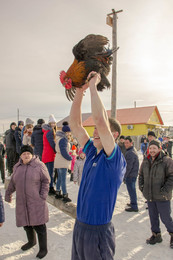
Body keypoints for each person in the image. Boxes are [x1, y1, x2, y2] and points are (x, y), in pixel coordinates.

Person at [69, 71, 126, 260]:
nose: (94, 132)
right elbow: (75, 125)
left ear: (113, 135)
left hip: (99, 232)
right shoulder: (92, 152)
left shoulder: (114, 160)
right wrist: (80, 91)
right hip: (80, 227)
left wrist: (94, 86)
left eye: (100, 131)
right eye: (93, 130)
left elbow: (101, 121)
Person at [5, 145, 50, 258]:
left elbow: (46, 181)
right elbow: (13, 183)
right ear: (20, 155)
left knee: (39, 226)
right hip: (22, 201)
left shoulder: (39, 166)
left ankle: (43, 249)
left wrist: (42, 196)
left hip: (36, 201)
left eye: (28, 153)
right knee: (26, 224)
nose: (26, 155)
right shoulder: (17, 167)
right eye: (24, 153)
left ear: (32, 154)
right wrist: (8, 193)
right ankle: (31, 241)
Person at [139, 139, 173, 249]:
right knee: (153, 217)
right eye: (151, 148)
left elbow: (172, 177)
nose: (152, 150)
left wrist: (164, 190)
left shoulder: (167, 161)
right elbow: (141, 175)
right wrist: (142, 187)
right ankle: (156, 235)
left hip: (162, 196)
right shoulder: (145, 160)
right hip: (150, 195)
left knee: (165, 218)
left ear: (159, 149)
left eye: (154, 148)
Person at [54, 121, 72, 202]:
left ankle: (58, 192)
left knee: (60, 178)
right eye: (68, 132)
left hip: (58, 159)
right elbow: (63, 151)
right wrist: (69, 157)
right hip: (62, 160)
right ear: (66, 132)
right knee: (63, 179)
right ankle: (65, 194)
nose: (69, 134)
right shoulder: (63, 139)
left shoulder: (59, 138)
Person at [42, 115, 57, 195]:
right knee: (50, 172)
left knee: (48, 172)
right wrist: (57, 150)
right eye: (52, 123)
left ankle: (47, 187)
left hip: (46, 154)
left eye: (54, 123)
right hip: (49, 154)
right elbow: (52, 143)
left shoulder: (46, 131)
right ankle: (50, 188)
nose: (53, 125)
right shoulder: (49, 132)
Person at [124, 136, 139, 212]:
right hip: (133, 174)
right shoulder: (131, 150)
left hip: (131, 175)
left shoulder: (130, 153)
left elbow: (128, 167)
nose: (125, 144)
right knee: (132, 190)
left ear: (131, 143)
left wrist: (124, 176)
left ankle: (134, 206)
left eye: (127, 143)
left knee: (132, 190)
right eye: (125, 143)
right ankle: (133, 202)